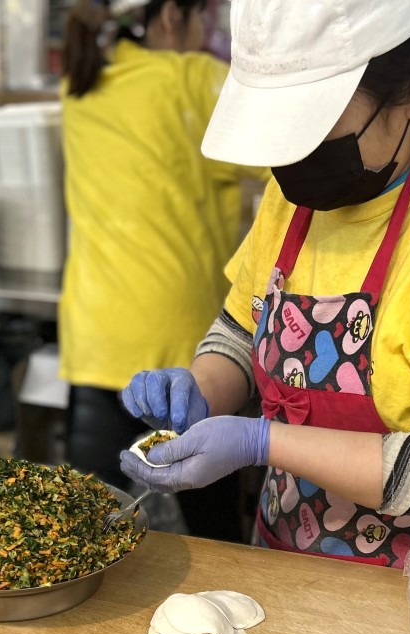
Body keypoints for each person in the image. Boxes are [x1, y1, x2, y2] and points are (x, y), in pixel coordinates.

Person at [118, 0, 410, 567]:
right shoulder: (294, 196)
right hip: (287, 560)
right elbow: (242, 327)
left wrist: (260, 441)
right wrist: (202, 392)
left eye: (312, 123)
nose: (294, 155)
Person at [59, 0, 266, 541]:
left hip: (94, 341)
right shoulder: (193, 80)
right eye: (207, 17)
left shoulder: (80, 84)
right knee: (213, 538)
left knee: (82, 534)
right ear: (172, 15)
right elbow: (295, 157)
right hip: (181, 355)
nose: (210, 32)